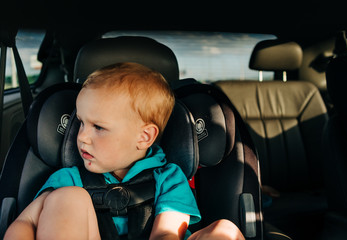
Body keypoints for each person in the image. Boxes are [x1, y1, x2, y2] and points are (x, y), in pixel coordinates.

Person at [4, 62, 244, 240]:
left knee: (226, 230)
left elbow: (166, 234)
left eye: (98, 127)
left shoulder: (168, 179)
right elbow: (25, 221)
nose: (82, 137)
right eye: (81, 122)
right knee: (68, 198)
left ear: (144, 137)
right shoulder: (69, 179)